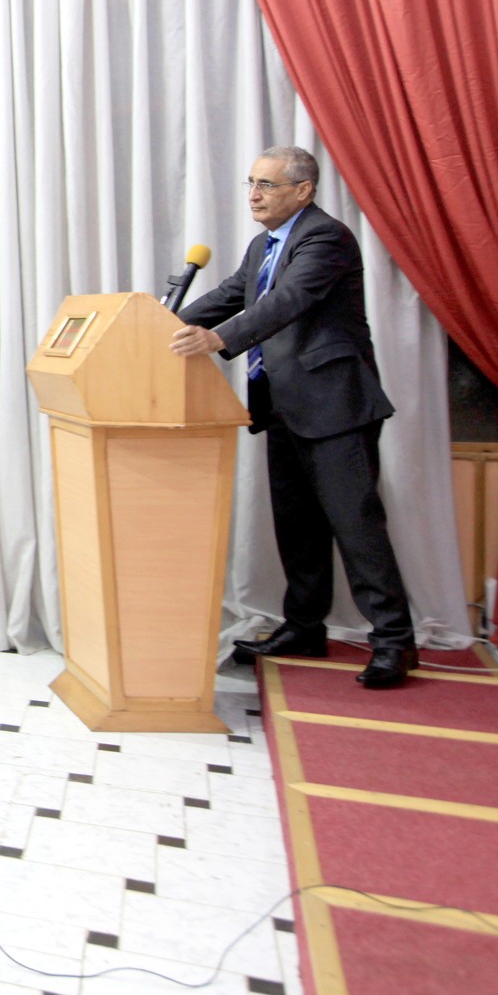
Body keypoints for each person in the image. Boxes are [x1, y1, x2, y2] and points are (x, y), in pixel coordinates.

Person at [171, 145, 418, 689]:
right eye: (251, 183)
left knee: (357, 527)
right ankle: (305, 626)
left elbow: (289, 299)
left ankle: (395, 642)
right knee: (297, 527)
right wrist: (153, 327)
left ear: (303, 191)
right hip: (282, 404)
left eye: (267, 185)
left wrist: (219, 339)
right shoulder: (263, 244)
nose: (254, 195)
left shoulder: (325, 238)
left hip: (335, 405)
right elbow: (233, 294)